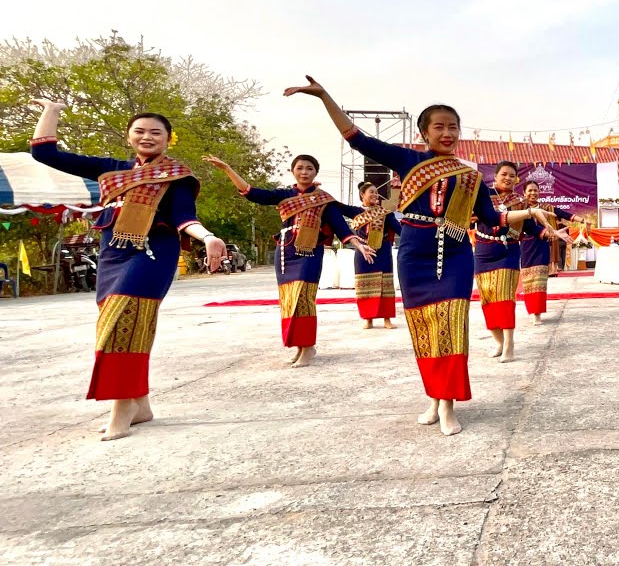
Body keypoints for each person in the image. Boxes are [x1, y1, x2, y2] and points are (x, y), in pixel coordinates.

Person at [283, 76, 553, 435]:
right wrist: (324, 97)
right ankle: (434, 396)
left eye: (453, 127)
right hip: (413, 254)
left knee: (452, 326)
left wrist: (530, 214)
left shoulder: (469, 174)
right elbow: (356, 137)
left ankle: (450, 404)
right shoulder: (407, 160)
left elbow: (493, 218)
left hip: (456, 254)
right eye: (439, 126)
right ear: (424, 133)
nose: (447, 133)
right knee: (424, 327)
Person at [30, 99, 228, 441]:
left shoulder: (176, 176)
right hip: (112, 254)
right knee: (122, 326)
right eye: (140, 131)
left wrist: (208, 237)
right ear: (128, 136)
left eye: (156, 132)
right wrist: (52, 110)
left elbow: (184, 217)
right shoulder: (111, 169)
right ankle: (141, 404)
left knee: (123, 325)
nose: (147, 137)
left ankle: (121, 411)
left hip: (151, 256)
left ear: (168, 139)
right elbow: (45, 153)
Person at [205, 154, 376, 367]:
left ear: (316, 172)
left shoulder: (324, 199)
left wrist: (359, 245)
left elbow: (341, 227)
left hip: (310, 251)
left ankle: (308, 346)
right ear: (293, 171)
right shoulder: (284, 194)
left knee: (303, 298)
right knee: (289, 299)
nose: (305, 172)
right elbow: (252, 192)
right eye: (300, 168)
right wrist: (227, 169)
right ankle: (300, 346)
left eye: (310, 168)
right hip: (286, 252)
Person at [476, 161, 527, 362]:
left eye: (512, 175)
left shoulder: (519, 201)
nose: (507, 178)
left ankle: (509, 343)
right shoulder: (483, 197)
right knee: (487, 299)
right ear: (495, 176)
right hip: (483, 252)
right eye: (504, 174)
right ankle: (497, 341)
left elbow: (529, 225)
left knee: (505, 298)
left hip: (508, 252)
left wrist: (546, 232)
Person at [337, 181, 400, 330]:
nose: (374, 194)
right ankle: (368, 318)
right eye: (371, 192)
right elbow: (335, 206)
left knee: (385, 286)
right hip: (363, 253)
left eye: (376, 192)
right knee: (364, 287)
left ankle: (387, 319)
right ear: (362, 195)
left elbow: (400, 230)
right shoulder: (355, 211)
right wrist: (316, 191)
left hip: (383, 252)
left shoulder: (385, 213)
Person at [519, 180, 577, 325]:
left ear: (539, 192)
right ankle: (531, 310)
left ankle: (537, 313)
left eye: (535, 190)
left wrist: (583, 221)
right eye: (530, 190)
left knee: (539, 281)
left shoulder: (547, 208)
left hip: (542, 247)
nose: (533, 193)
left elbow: (565, 214)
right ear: (524, 193)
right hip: (525, 247)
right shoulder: (520, 209)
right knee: (528, 282)